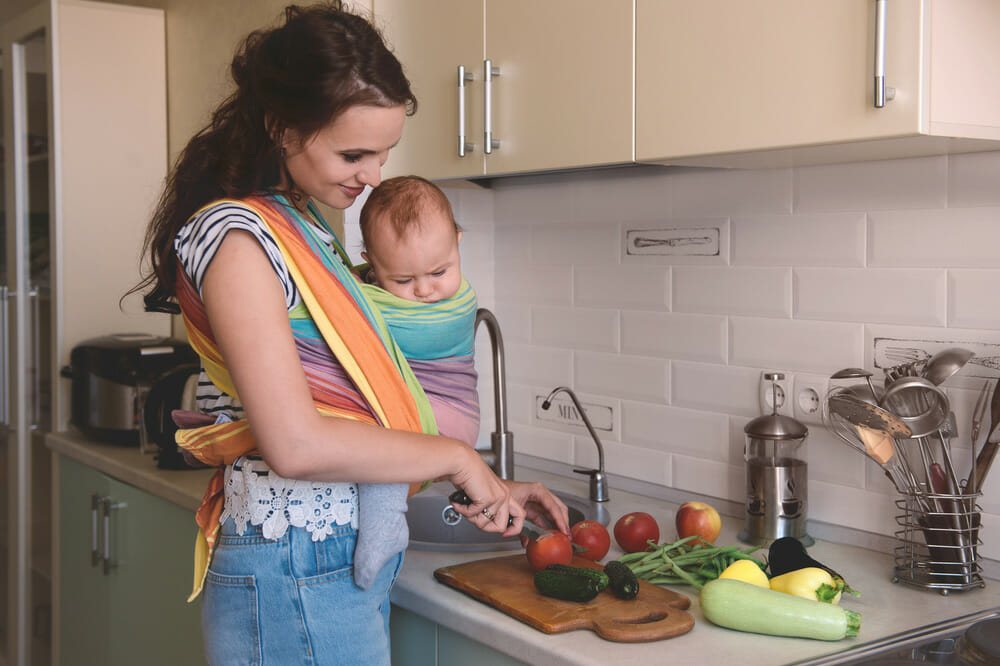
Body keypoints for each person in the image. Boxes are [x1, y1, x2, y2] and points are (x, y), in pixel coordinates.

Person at [131, 4, 569, 665]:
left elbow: (356, 398)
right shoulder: (239, 238)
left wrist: (489, 487)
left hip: (321, 555)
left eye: (383, 153)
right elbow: (297, 444)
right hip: (294, 560)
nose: (373, 176)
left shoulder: (304, 227)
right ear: (282, 127)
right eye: (354, 153)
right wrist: (458, 460)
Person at [352, 175, 480, 588]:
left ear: (458, 242)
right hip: (429, 415)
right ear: (371, 263)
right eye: (403, 281)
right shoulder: (382, 287)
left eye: (439, 271)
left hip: (443, 416)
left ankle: (385, 523)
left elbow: (347, 313)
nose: (426, 290)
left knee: (379, 454)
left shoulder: (455, 306)